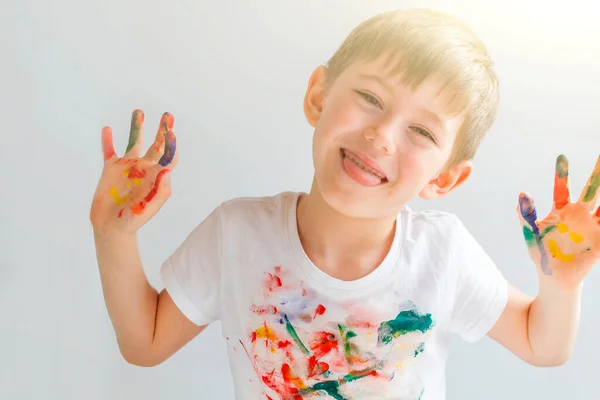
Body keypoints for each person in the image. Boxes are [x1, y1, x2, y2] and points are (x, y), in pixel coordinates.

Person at [90, 8, 600, 400]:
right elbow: (145, 343)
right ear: (318, 94)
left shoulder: (442, 255)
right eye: (371, 98)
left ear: (446, 177)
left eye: (421, 130)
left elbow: (543, 345)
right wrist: (114, 235)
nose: (381, 135)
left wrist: (561, 282)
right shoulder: (237, 235)